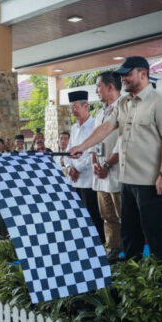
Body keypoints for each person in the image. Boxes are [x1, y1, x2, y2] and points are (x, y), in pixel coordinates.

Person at [68, 56, 162, 267]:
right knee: (129, 233)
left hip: (150, 182)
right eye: (122, 75)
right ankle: (132, 276)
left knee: (155, 234)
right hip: (126, 181)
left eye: (128, 74)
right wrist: (81, 147)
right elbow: (105, 128)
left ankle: (158, 280)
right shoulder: (124, 103)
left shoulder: (159, 101)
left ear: (143, 73)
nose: (123, 79)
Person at [64, 90, 103, 245]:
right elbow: (67, 151)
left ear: (85, 105)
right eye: (71, 107)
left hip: (88, 180)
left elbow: (92, 151)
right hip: (74, 181)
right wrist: (69, 168)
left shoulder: (95, 125)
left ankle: (98, 245)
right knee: (78, 216)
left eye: (75, 106)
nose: (73, 110)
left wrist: (77, 169)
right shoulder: (74, 128)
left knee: (93, 215)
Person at [91, 72, 122, 262]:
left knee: (122, 215)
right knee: (107, 215)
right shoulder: (100, 113)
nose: (96, 90)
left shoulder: (123, 108)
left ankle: (128, 249)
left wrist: (108, 164)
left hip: (117, 170)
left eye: (98, 86)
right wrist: (94, 162)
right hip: (100, 173)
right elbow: (95, 140)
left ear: (110, 86)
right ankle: (112, 247)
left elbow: (123, 142)